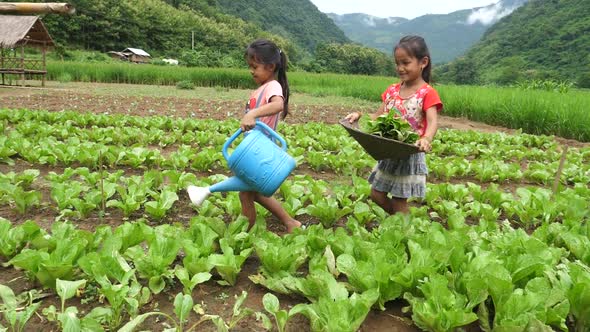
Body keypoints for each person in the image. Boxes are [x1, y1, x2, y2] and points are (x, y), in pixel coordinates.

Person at [189, 39, 301, 233]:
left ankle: (246, 229)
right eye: (250, 66)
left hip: (261, 150)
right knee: (249, 193)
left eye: (255, 66)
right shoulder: (261, 88)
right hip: (255, 148)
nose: (251, 71)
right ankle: (282, 224)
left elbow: (278, 105)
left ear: (271, 66)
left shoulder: (273, 86)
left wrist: (252, 114)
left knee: (248, 191)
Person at [345, 35, 443, 215]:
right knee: (376, 194)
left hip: (408, 152)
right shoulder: (392, 90)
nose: (400, 68)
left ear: (423, 62)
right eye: (397, 63)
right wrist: (358, 115)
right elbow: (377, 115)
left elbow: (432, 121)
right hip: (389, 151)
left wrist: (427, 138)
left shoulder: (427, 93)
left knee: (399, 200)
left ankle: (402, 231)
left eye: (405, 63)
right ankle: (401, 223)